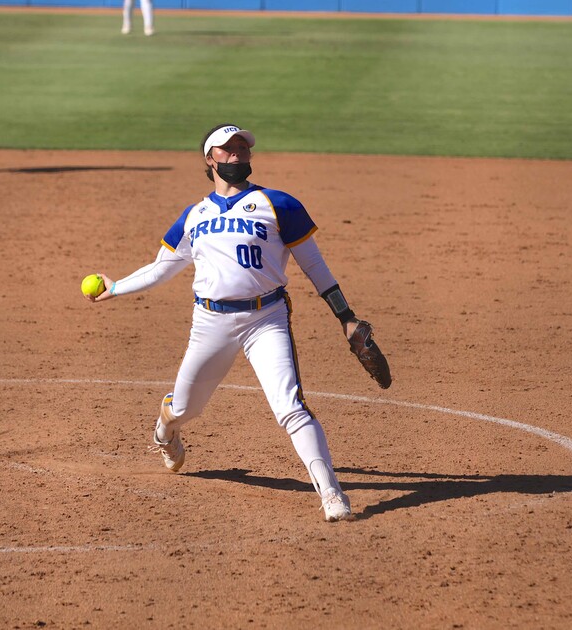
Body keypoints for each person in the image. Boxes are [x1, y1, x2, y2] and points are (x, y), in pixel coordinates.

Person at [85, 123, 381, 522]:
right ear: (210, 160)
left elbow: (316, 267)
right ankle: (166, 427)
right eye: (228, 149)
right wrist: (115, 286)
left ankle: (331, 493)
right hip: (210, 323)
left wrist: (345, 316)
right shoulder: (195, 216)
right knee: (186, 408)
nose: (238, 154)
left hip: (267, 318)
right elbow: (160, 270)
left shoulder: (279, 204)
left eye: (243, 147)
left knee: (290, 407)